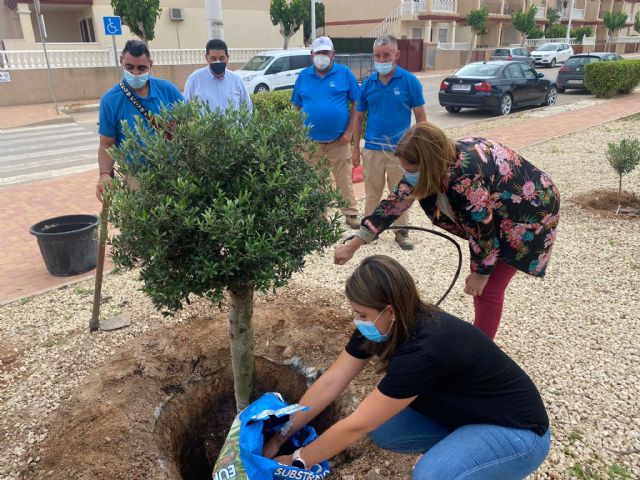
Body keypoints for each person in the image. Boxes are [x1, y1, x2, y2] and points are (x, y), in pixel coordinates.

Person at [263, 255, 551, 479]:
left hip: (518, 433)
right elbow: (331, 382)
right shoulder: (383, 326)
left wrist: (297, 460)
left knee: (431, 474)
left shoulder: (426, 349)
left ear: (390, 309)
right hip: (467, 415)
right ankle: (461, 451)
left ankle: (474, 463)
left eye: (362, 314)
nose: (357, 321)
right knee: (385, 429)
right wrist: (281, 435)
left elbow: (357, 426)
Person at [335, 122, 560, 340]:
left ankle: (479, 351)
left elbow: (482, 229)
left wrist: (481, 273)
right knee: (483, 275)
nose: (407, 174)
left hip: (530, 210)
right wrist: (355, 244)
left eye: (410, 169)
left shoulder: (465, 178)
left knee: (488, 288)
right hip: (498, 207)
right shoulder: (438, 157)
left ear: (429, 163)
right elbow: (395, 203)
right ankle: (479, 341)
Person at [353, 34, 427, 250]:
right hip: (373, 149)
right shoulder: (368, 84)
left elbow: (421, 117)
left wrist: (421, 149)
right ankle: (369, 231)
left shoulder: (409, 81)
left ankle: (401, 232)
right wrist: (355, 148)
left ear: (397, 55)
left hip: (400, 152)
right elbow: (358, 117)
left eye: (386, 55)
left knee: (401, 192)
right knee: (372, 191)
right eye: (378, 55)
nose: (382, 59)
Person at [96, 40, 184, 202]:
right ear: (121, 61)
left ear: (150, 65)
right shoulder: (110, 100)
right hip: (137, 178)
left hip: (174, 173)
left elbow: (190, 122)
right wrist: (105, 174)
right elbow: (107, 143)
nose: (135, 73)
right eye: (130, 67)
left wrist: (178, 129)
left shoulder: (167, 89)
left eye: (141, 68)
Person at [292, 36, 361, 229]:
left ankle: (350, 213)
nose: (322, 56)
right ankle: (319, 214)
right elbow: (295, 106)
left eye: (325, 52)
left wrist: (349, 132)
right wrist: (295, 134)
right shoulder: (304, 76)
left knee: (344, 179)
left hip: (339, 140)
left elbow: (357, 103)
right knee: (315, 181)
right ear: (311, 55)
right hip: (310, 142)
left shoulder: (344, 73)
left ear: (333, 55)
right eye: (318, 53)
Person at [183, 38, 252, 113]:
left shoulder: (237, 81)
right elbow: (186, 108)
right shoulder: (194, 80)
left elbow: (247, 108)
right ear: (206, 58)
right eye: (213, 58)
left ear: (227, 58)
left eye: (222, 58)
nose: (218, 61)